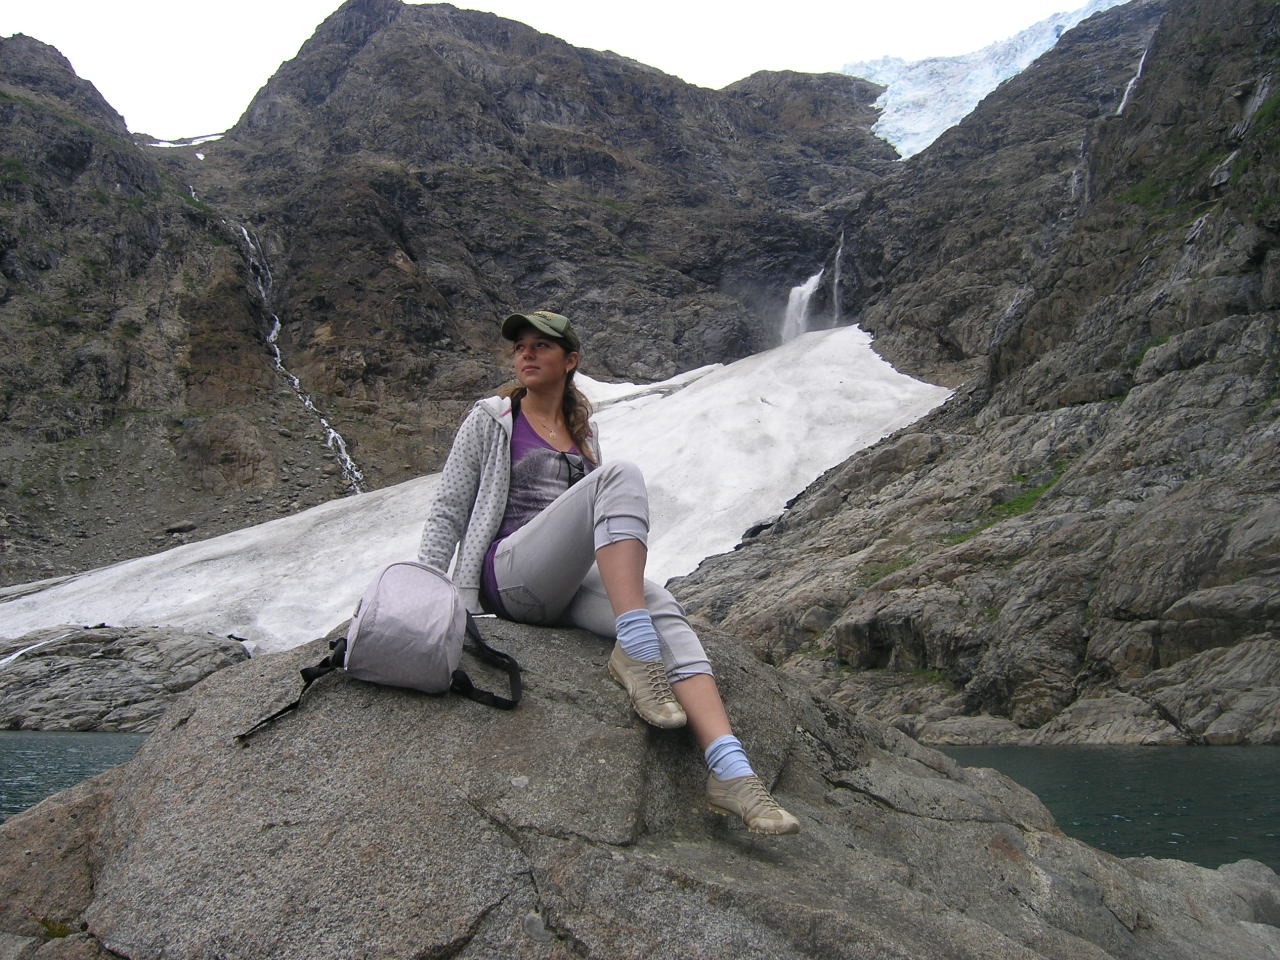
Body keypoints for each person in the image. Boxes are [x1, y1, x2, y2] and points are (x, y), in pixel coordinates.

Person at [418, 309, 799, 836]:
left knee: (662, 604)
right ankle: (636, 651)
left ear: (570, 361)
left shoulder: (584, 433)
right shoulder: (491, 418)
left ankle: (731, 771)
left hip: (563, 586)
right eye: (520, 346)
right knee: (621, 477)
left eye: (541, 346)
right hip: (507, 577)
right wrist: (423, 591)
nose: (526, 353)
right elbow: (448, 511)